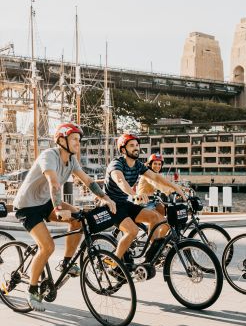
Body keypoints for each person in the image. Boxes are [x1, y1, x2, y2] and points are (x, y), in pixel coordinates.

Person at [13, 122, 116, 312]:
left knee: (78, 217)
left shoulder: (72, 160)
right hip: (28, 206)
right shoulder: (49, 156)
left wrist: (105, 198)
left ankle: (67, 263)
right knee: (48, 246)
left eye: (79, 139)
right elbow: (53, 183)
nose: (78, 143)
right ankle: (32, 290)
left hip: (45, 202)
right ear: (62, 140)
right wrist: (59, 208)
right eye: (75, 139)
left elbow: (88, 180)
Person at [104, 134, 186, 278]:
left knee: (156, 218)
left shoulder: (138, 165)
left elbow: (155, 176)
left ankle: (149, 259)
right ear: (123, 150)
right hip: (110, 205)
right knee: (132, 231)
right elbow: (120, 180)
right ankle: (113, 263)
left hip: (124, 203)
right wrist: (133, 193)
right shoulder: (116, 164)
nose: (136, 148)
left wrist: (176, 187)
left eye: (137, 145)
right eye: (131, 146)